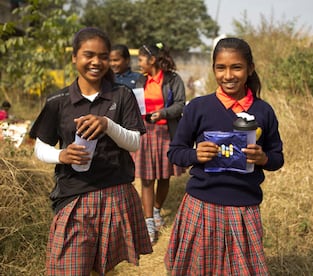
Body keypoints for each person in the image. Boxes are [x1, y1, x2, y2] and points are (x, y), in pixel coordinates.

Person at [29, 27, 152, 275]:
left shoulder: (122, 95)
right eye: (88, 55)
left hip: (115, 194)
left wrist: (108, 125)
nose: (96, 62)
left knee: (102, 268)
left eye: (103, 56)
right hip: (74, 198)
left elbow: (134, 143)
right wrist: (61, 155)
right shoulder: (58, 101)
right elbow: (40, 147)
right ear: (74, 57)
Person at [164, 37, 284, 275]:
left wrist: (263, 159)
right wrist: (196, 155)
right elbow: (175, 152)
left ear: (250, 69)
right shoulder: (198, 107)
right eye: (221, 68)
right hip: (201, 205)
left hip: (243, 208)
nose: (228, 75)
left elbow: (277, 157)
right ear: (214, 69)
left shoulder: (263, 111)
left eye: (236, 67)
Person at [131, 42, 186, 244]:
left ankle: (156, 210)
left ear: (152, 60)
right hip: (146, 135)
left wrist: (163, 113)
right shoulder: (139, 81)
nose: (138, 63)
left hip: (167, 134)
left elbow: (180, 104)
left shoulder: (173, 79)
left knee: (164, 177)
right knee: (146, 179)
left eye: (141, 59)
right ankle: (148, 223)